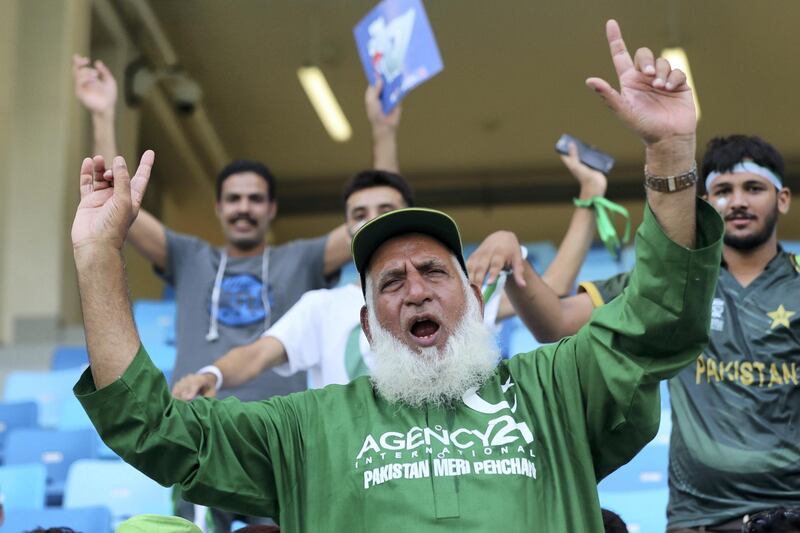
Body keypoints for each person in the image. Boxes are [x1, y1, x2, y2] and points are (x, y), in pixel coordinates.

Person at [72, 20, 723, 530]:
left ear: (472, 294)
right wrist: (101, 255)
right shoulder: (304, 429)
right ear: (365, 321)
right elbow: (153, 428)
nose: (415, 287)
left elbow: (659, 323)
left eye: (435, 271)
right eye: (390, 281)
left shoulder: (555, 392)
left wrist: (669, 153)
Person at [73, 58, 401, 531]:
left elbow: (378, 216)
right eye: (233, 199)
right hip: (196, 438)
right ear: (219, 207)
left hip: (278, 445)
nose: (243, 208)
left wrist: (383, 131)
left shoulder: (302, 258)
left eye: (254, 199)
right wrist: (104, 114)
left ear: (270, 208)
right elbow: (115, 212)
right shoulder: (189, 257)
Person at [487, 135, 798, 531]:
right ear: (703, 202)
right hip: (697, 519)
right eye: (723, 190)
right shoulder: (670, 282)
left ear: (783, 199)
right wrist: (516, 260)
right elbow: (555, 322)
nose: (737, 201)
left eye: (753, 188)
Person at [171, 143, 607, 400]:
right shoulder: (321, 307)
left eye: (385, 209)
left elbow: (552, 293)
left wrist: (589, 199)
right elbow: (257, 355)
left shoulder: (455, 289)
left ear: (407, 216)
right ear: (346, 227)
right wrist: (213, 374)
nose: (369, 218)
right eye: (358, 212)